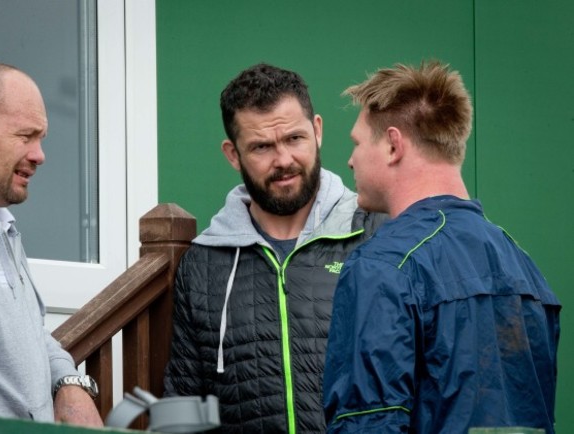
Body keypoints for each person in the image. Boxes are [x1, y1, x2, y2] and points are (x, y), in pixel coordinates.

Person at [323, 61, 561, 433]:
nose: (350, 159)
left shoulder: (383, 266)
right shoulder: (527, 271)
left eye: (356, 142)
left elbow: (366, 423)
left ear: (392, 144)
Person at [163, 63, 386, 433]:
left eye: (294, 139)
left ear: (317, 130)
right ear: (233, 154)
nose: (283, 160)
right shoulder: (203, 265)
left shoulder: (376, 234)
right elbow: (184, 405)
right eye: (262, 146)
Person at [0, 62, 102, 426]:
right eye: (25, 136)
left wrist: (68, 382)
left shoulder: (1, 229)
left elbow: (31, 335)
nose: (39, 155)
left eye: (40, 139)